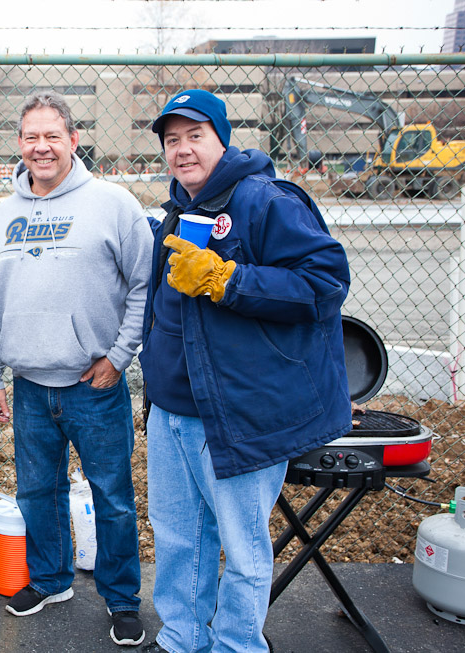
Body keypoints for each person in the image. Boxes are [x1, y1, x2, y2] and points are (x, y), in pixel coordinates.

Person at [139, 89, 351, 653]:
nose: (183, 150)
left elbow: (325, 283)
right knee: (179, 539)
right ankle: (182, 639)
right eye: (172, 140)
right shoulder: (178, 211)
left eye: (195, 136)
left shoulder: (266, 201)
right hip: (172, 410)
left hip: (239, 412)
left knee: (242, 547)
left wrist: (227, 280)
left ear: (223, 139)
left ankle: (237, 645)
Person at [0, 91, 153, 647]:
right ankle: (51, 580)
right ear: (18, 145)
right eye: (31, 136)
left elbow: (145, 285)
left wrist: (119, 356)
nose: (42, 146)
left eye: (53, 135)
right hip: (30, 387)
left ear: (74, 140)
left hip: (92, 386)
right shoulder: (3, 216)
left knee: (113, 498)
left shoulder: (113, 204)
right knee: (37, 492)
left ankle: (122, 599)